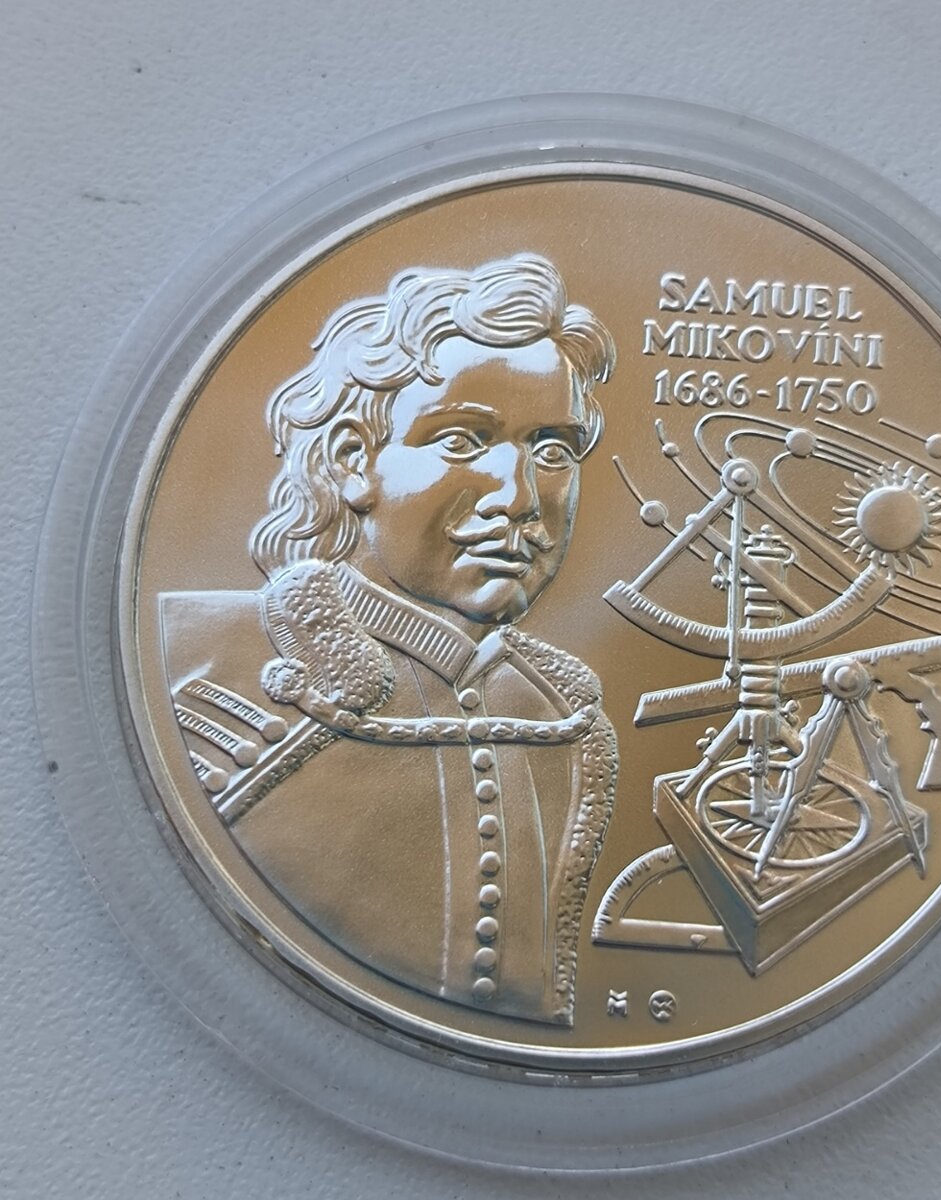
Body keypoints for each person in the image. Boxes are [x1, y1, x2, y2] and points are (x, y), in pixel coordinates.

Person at [161, 255, 618, 1026]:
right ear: (353, 462)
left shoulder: (566, 724)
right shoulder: (202, 660)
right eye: (463, 440)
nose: (519, 498)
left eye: (552, 451)